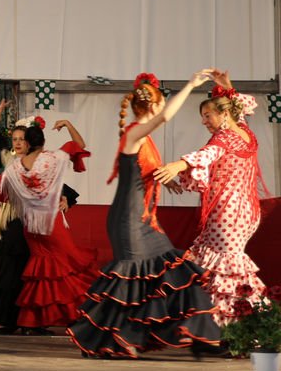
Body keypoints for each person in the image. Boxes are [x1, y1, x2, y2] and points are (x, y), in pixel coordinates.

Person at [68, 71, 222, 358]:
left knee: (174, 271)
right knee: (135, 276)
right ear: (153, 106)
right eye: (162, 103)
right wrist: (190, 85)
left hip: (145, 219)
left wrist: (169, 179)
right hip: (130, 220)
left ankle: (200, 334)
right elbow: (164, 119)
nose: (163, 110)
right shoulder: (134, 133)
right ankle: (109, 338)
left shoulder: (144, 139)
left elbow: (143, 170)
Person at [154, 70, 268, 325]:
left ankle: (238, 325)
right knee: (222, 266)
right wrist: (227, 86)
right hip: (245, 209)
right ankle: (222, 324)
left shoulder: (225, 137)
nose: (205, 121)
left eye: (208, 115)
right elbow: (237, 109)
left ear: (224, 114)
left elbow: (206, 154)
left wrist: (177, 165)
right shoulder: (245, 133)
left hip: (229, 211)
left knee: (227, 267)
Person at [0, 99, 79, 335]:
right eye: (15, 140)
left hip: (34, 224)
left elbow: (54, 184)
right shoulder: (8, 160)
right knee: (13, 271)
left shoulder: (41, 163)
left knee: (35, 271)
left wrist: (65, 200)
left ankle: (32, 321)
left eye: (22, 139)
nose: (18, 143)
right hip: (14, 221)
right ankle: (16, 319)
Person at [0, 115, 95, 330]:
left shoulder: (15, 167)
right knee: (69, 266)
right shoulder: (53, 158)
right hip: (51, 224)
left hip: (30, 226)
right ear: (41, 141)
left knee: (42, 273)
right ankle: (81, 314)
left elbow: (7, 194)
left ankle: (31, 322)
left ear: (27, 142)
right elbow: (80, 145)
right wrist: (69, 124)